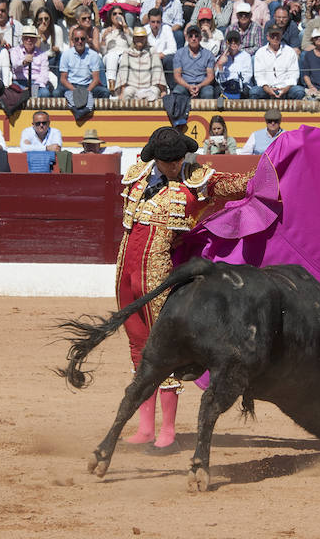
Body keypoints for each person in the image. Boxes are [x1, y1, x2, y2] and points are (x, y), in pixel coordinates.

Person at [114, 126, 251, 453]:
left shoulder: (197, 178)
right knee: (138, 346)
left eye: (178, 159)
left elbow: (235, 184)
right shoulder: (137, 175)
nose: (174, 165)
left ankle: (169, 431)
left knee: (165, 347)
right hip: (125, 270)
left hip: (159, 272)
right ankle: (145, 428)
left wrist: (274, 166)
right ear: (155, 158)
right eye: (167, 160)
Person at [251, 24, 305, 100]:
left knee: (299, 91)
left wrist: (285, 89)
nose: (275, 38)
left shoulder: (290, 51)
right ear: (268, 37)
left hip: (286, 88)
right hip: (267, 89)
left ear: (281, 36)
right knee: (254, 92)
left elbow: (294, 75)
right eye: (272, 35)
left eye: (277, 35)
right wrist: (267, 89)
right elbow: (259, 76)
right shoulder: (260, 53)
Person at [116, 26, 167, 100]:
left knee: (155, 93)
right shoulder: (127, 52)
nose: (139, 40)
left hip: (148, 87)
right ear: (133, 39)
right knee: (127, 93)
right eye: (137, 37)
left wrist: (162, 91)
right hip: (132, 87)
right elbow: (123, 72)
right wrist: (122, 92)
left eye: (142, 37)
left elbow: (157, 71)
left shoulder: (152, 51)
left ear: (146, 39)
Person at [172, 24, 217, 99]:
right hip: (185, 84)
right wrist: (188, 86)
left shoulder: (208, 54)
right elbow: (177, 76)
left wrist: (199, 86)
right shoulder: (179, 53)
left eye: (196, 36)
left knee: (208, 92)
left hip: (203, 85)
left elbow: (210, 77)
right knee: (177, 92)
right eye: (190, 36)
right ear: (186, 38)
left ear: (200, 38)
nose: (193, 38)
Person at [10, 25, 51, 97]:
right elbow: (15, 66)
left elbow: (44, 74)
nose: (29, 40)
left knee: (45, 93)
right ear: (22, 39)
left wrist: (33, 87)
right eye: (26, 38)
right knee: (13, 94)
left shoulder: (42, 54)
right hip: (19, 82)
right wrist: (24, 62)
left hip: (36, 83)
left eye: (31, 38)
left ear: (36, 40)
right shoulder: (15, 51)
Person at [215, 29, 253, 98]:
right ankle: (220, 108)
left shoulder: (246, 56)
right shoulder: (221, 57)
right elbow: (219, 81)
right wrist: (220, 65)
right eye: (230, 41)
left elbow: (247, 77)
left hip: (241, 86)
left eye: (236, 41)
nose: (233, 43)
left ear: (239, 43)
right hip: (225, 86)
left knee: (246, 91)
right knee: (217, 91)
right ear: (227, 43)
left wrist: (236, 84)